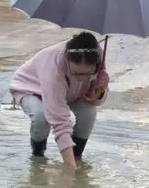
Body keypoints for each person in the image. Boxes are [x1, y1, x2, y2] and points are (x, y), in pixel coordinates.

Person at [9, 32, 110, 169]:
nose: (82, 79)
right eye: (77, 74)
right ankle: (38, 159)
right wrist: (70, 170)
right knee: (41, 118)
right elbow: (60, 123)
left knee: (89, 113)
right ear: (67, 61)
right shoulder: (53, 70)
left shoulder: (98, 56)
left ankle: (77, 157)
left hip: (70, 92)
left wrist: (100, 88)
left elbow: (93, 98)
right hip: (32, 88)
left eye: (87, 73)